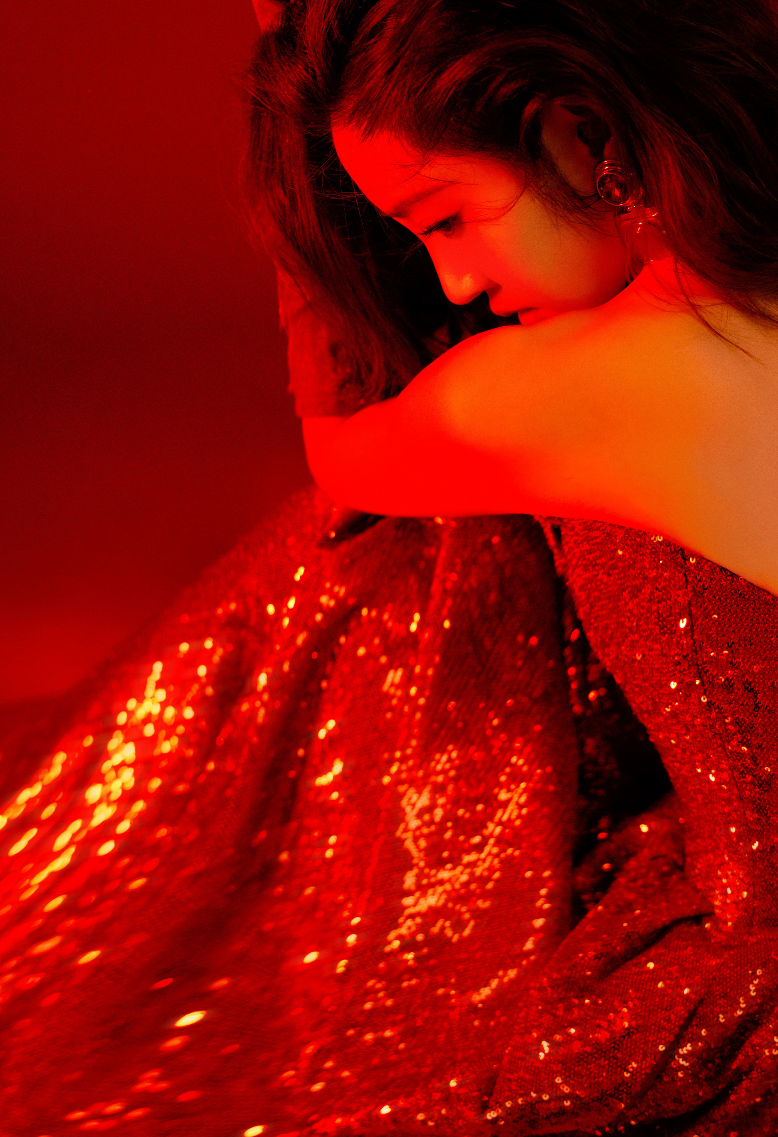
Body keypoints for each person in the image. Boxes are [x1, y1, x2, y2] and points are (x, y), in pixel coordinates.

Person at [0, 4, 775, 1137]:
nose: (451, 280)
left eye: (444, 218)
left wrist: (291, 173)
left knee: (372, 567)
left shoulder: (575, 388)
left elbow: (346, 460)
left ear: (577, 134)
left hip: (751, 980)